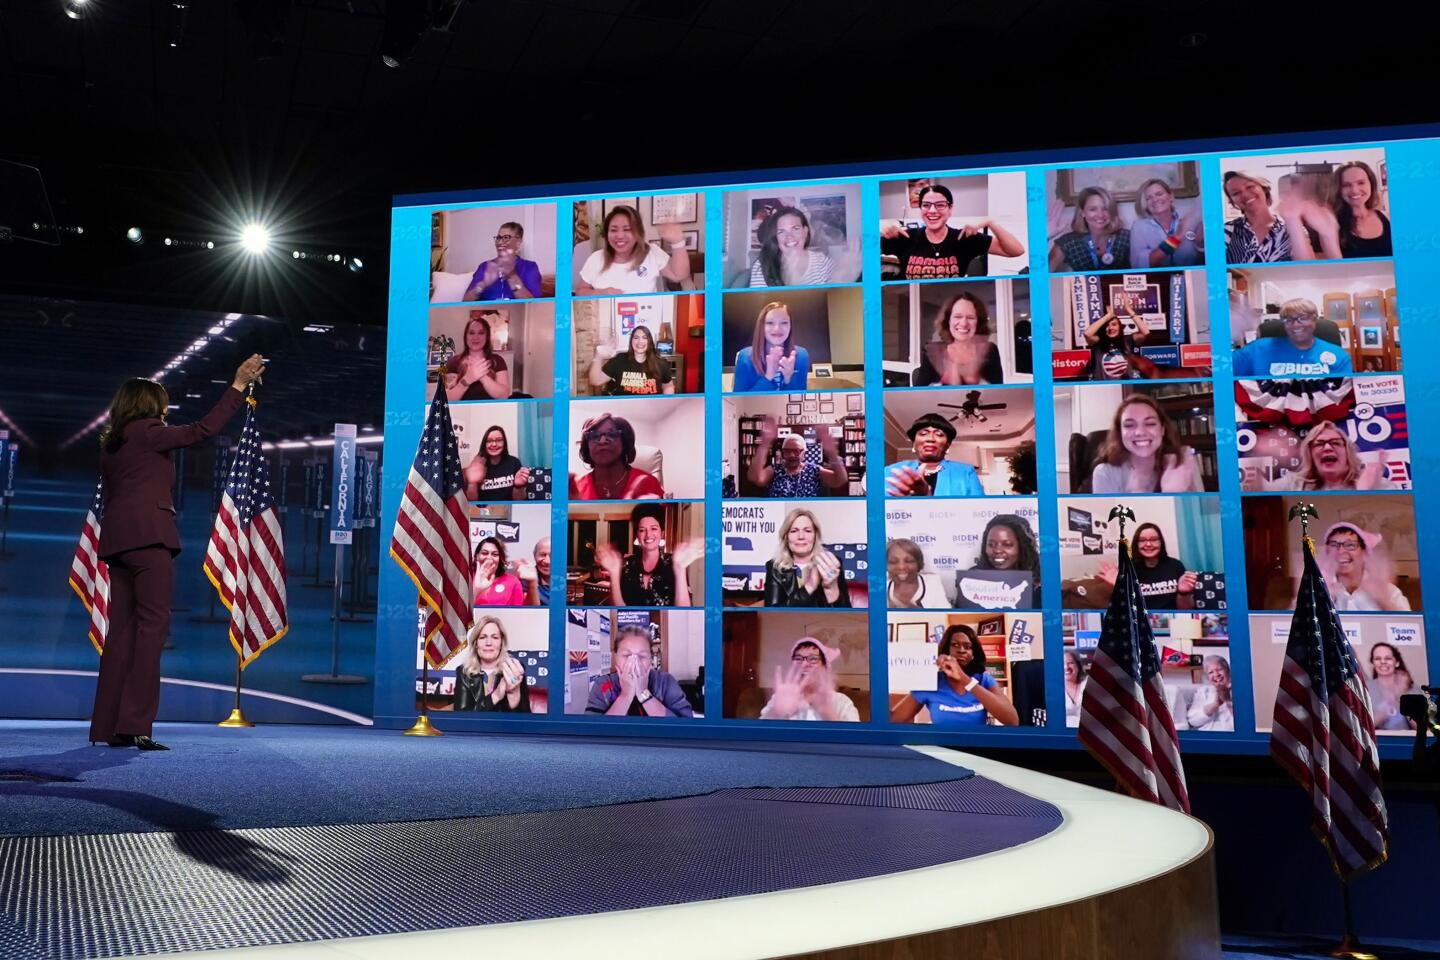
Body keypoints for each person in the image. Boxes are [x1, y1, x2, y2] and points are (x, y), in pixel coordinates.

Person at [89, 353, 266, 750]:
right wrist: (237, 387)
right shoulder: (149, 432)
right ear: (148, 405)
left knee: (119, 635)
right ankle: (136, 725)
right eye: (163, 402)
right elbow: (203, 429)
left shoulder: (112, 443)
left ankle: (107, 726)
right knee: (152, 631)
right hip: (149, 541)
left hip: (117, 543)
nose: (167, 408)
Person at [880, 184, 1025, 279]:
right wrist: (879, 229)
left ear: (950, 209)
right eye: (926, 205)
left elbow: (1016, 250)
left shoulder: (964, 238)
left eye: (940, 205)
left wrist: (990, 222)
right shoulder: (906, 237)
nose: (932, 211)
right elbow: (862, 254)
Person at [889, 624, 1019, 726]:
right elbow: (894, 720)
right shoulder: (930, 682)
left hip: (978, 753)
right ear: (946, 650)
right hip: (943, 752)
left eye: (967, 647)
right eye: (955, 645)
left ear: (973, 655)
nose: (961, 650)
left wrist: (965, 680)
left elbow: (1012, 721)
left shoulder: (984, 680)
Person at [1089, 394, 1204, 494]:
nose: (1140, 432)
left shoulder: (1182, 462)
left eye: (1150, 423)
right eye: (1129, 425)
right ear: (1120, 433)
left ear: (1162, 430)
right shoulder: (1105, 473)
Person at [595, 503, 704, 607]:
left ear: (662, 533)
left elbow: (683, 613)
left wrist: (680, 569)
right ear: (637, 535)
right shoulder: (626, 565)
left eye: (653, 528)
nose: (648, 535)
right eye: (642, 530)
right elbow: (618, 611)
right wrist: (614, 573)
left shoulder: (675, 562)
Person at [1223, 170, 1340, 263]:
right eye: (1236, 193)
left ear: (1264, 189)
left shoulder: (1291, 228)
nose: (1245, 194)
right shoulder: (1225, 231)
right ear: (1232, 202)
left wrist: (1292, 219)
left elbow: (1307, 267)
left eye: (1250, 187)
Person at [575, 205, 690, 295]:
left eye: (627, 229)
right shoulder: (596, 258)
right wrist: (600, 293)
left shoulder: (652, 252)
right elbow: (580, 291)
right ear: (607, 233)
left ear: (638, 232)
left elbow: (679, 275)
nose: (620, 235)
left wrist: (677, 242)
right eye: (614, 230)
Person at [586, 624, 694, 717]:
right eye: (627, 655)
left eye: (641, 656)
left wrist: (644, 693)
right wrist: (626, 696)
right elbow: (591, 732)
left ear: (651, 659)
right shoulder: (602, 684)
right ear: (615, 657)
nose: (634, 662)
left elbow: (686, 728)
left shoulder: (666, 682)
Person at [1232, 298, 1352, 378]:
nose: (1295, 325)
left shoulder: (1338, 355)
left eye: (1302, 318)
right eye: (1288, 319)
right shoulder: (1258, 349)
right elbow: (1220, 368)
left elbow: (1344, 396)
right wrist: (1229, 330)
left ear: (1314, 319)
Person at [762, 508, 851, 608]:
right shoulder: (775, 567)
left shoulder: (831, 563)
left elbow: (847, 617)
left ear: (815, 536)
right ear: (786, 537)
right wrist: (810, 586)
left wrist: (831, 588)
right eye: (794, 531)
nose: (801, 536)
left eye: (808, 531)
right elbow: (772, 614)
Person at [913, 291, 1004, 386]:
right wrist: (943, 383)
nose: (964, 323)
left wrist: (978, 381)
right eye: (958, 316)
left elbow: (999, 393)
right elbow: (918, 395)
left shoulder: (990, 350)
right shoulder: (933, 352)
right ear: (948, 320)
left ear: (978, 322)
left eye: (970, 317)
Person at [1268, 421, 1392, 491]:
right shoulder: (1292, 484)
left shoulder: (1378, 485)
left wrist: (1366, 492)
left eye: (1335, 443)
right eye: (1319, 444)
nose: (1327, 448)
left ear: (1347, 451)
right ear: (1310, 453)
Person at [1097, 523, 1195, 609]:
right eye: (1142, 540)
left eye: (1153, 539)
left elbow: (1186, 609)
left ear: (1161, 542)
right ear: (1136, 544)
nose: (1148, 544)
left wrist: (1183, 593)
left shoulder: (1175, 565)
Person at [568, 413, 664, 500]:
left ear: (624, 442)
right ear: (587, 446)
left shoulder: (648, 482)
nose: (602, 441)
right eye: (594, 435)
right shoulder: (577, 488)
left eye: (611, 434)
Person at [759, 638, 859, 721]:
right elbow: (757, 736)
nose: (804, 664)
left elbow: (857, 740)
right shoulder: (781, 697)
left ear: (824, 666)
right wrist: (776, 712)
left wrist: (827, 713)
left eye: (813, 659)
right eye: (798, 658)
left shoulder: (842, 701)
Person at [884, 412, 983, 497]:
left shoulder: (966, 472)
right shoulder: (891, 471)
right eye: (923, 434)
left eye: (939, 434)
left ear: (947, 445)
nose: (930, 439)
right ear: (914, 443)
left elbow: (979, 510)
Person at [746, 416, 849, 497]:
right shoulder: (775, 469)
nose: (791, 455)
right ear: (782, 453)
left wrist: (832, 453)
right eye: (787, 451)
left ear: (804, 453)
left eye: (796, 451)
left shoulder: (814, 470)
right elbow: (754, 477)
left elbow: (841, 479)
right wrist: (765, 444)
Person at [1318, 522, 1410, 612]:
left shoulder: (1388, 591)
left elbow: (1411, 625)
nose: (1340, 551)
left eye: (1350, 545)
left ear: (1365, 553)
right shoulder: (1318, 590)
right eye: (1334, 545)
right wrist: (1322, 602)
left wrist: (1383, 601)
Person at [956, 514, 1041, 609]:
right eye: (991, 544)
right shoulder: (971, 579)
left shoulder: (1040, 582)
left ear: (1022, 547)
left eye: (1007, 544)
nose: (997, 550)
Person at [453, 615, 531, 712]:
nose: (488, 643)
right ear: (475, 643)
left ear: (502, 642)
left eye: (495, 637)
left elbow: (525, 720)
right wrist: (496, 695)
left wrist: (513, 693)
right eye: (482, 637)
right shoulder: (463, 672)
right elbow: (462, 718)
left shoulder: (514, 669)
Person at [748, 205, 836, 287]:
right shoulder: (763, 265)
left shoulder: (822, 263)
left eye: (795, 228)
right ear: (776, 237)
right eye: (781, 231)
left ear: (805, 232)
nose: (789, 236)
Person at [732, 301, 810, 392]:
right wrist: (768, 376)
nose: (777, 328)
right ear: (762, 326)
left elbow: (799, 401)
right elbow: (739, 401)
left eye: (784, 323)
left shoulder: (801, 356)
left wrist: (789, 378)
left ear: (790, 326)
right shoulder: (745, 357)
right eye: (770, 323)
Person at [1048, 187, 1131, 272]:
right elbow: (1038, 277)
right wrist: (1044, 236)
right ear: (1082, 213)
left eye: (1105, 209)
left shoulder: (1127, 237)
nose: (1100, 215)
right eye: (1093, 209)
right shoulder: (1068, 242)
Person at [1129, 178, 1204, 268]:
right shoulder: (1139, 227)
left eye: (1159, 194)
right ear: (1145, 204)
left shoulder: (1189, 220)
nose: (1155, 200)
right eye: (1149, 198)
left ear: (1171, 197)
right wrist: (1178, 236)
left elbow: (1205, 260)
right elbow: (1140, 265)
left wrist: (1201, 243)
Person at [463, 221, 541, 301]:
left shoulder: (530, 267)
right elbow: (465, 301)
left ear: (518, 242)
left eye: (506, 238)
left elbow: (534, 304)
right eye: (498, 238)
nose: (499, 242)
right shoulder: (484, 266)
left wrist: (512, 276)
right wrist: (483, 284)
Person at [1082, 300, 1160, 380]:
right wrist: (1107, 316)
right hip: (1103, 387)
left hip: (1124, 387)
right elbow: (1087, 334)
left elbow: (1145, 332)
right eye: (1107, 326)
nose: (1111, 328)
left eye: (1114, 324)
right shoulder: (1098, 341)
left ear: (1120, 327)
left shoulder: (1127, 340)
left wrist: (1129, 310)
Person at [588, 324, 674, 395]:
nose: (640, 341)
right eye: (636, 338)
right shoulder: (619, 360)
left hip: (652, 410)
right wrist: (599, 354)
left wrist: (665, 401)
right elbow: (595, 381)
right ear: (631, 341)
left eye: (644, 337)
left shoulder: (660, 362)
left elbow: (668, 386)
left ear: (649, 342)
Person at [444, 312, 511, 401]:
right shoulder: (454, 362)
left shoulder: (497, 360)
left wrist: (481, 376)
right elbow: (448, 398)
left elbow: (503, 395)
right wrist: (467, 379)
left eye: (481, 333)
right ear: (466, 337)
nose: (476, 337)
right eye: (471, 333)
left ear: (487, 337)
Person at [1334, 161, 1391, 259]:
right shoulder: (1333, 224)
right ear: (1338, 190)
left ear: (1371, 184)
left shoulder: (1386, 217)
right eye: (1346, 185)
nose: (1355, 190)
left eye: (1361, 183)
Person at [462, 425, 530, 501]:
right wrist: (472, 483)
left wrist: (518, 487)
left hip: (508, 510)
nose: (494, 444)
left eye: (498, 440)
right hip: (484, 511)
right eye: (489, 441)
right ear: (485, 444)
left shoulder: (514, 462)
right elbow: (471, 503)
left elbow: (518, 500)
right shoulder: (478, 464)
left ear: (504, 443)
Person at [1366, 641, 1417, 731]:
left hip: (1408, 743)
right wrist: (1392, 700)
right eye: (1378, 659)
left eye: (1388, 658)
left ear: (1396, 662)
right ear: (1373, 663)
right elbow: (1363, 728)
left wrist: (1402, 697)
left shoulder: (1411, 688)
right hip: (1378, 742)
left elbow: (1423, 728)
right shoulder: (1366, 688)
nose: (1383, 662)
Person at [886, 538, 949, 609]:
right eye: (893, 562)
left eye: (909, 561)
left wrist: (907, 606)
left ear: (918, 563)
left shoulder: (932, 582)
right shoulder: (880, 586)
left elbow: (943, 617)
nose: (902, 567)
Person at [472, 536, 528, 606]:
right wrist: (476, 590)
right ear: (477, 556)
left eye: (495, 554)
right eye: (484, 553)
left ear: (500, 558)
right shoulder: (467, 578)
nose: (489, 558)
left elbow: (518, 613)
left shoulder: (513, 582)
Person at [1186, 654, 1234, 731]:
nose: (1216, 674)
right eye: (1211, 672)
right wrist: (1215, 705)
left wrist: (1228, 702)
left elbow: (1245, 722)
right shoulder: (1204, 691)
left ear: (1228, 671)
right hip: (1207, 737)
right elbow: (1192, 721)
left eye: (1219, 669)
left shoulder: (1240, 689)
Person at [522, 536, 552, 606]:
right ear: (534, 555)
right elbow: (529, 610)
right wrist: (532, 583)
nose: (547, 561)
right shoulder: (525, 580)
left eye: (553, 555)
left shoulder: (568, 581)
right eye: (542, 555)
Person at [1063, 649, 1087, 725]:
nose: (1066, 667)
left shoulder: (1088, 683)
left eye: (1070, 663)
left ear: (1078, 665)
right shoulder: (1052, 689)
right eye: (1062, 663)